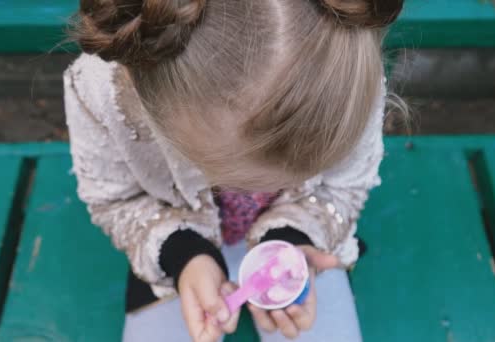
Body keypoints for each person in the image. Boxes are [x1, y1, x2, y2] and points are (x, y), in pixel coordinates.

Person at [64, 0, 404, 340]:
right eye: (226, 177)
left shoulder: (347, 80)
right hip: (172, 239)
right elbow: (116, 201)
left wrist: (293, 237)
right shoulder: (103, 92)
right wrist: (183, 256)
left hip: (305, 240)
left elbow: (344, 189)